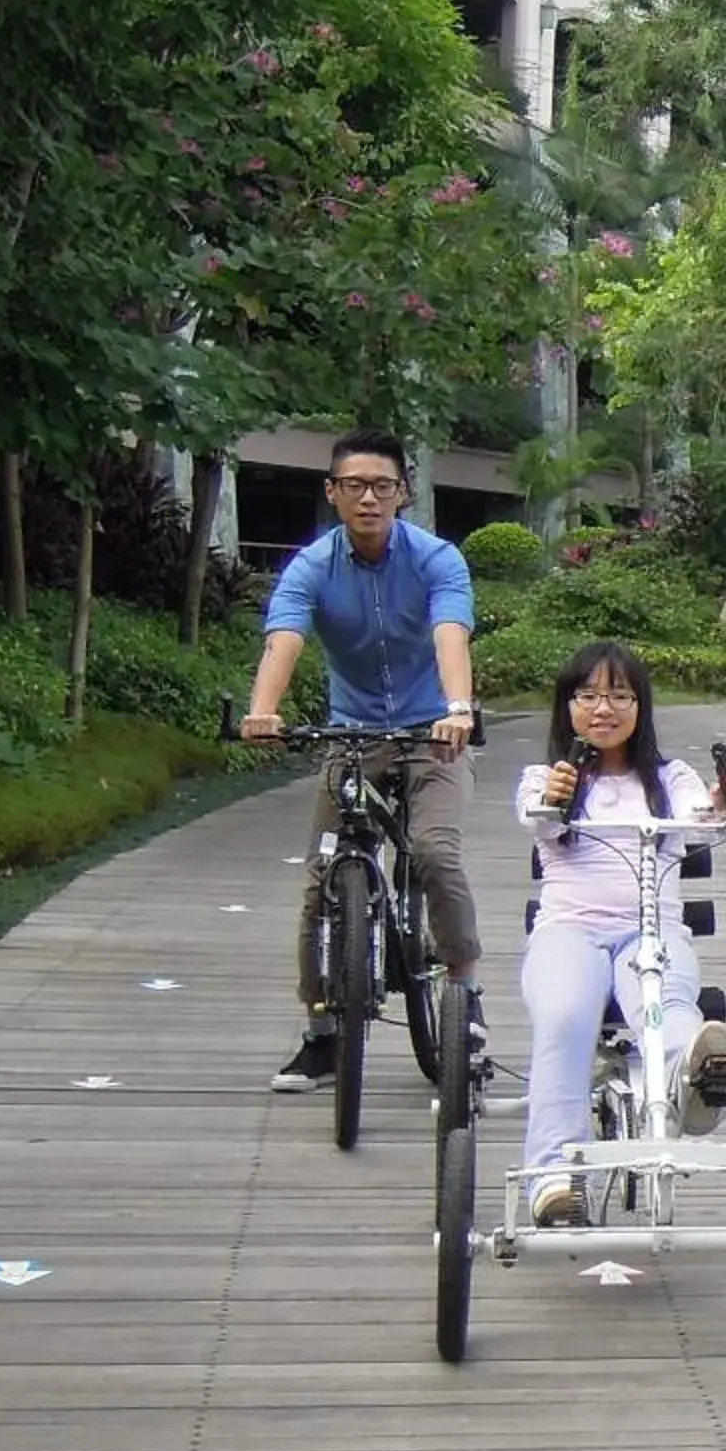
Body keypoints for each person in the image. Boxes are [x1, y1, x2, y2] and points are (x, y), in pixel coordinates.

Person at [241, 432, 486, 1093]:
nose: (369, 497)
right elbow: (285, 636)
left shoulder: (438, 559)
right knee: (323, 874)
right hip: (352, 736)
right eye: (354, 485)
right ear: (332, 492)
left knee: (435, 852)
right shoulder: (312, 566)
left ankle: (467, 994)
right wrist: (263, 711)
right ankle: (321, 1035)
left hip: (434, 733)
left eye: (382, 485)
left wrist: (458, 707)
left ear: (403, 492)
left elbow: (449, 632)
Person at [515, 642, 726, 1229]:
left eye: (620, 695)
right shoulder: (547, 778)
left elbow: (704, 821)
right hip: (570, 929)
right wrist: (555, 800)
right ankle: (552, 1176)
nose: (604, 707)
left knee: (662, 1005)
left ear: (640, 707)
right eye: (588, 695)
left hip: (651, 929)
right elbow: (538, 816)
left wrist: (722, 802)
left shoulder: (672, 777)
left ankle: (695, 1079)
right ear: (567, 707)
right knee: (565, 1016)